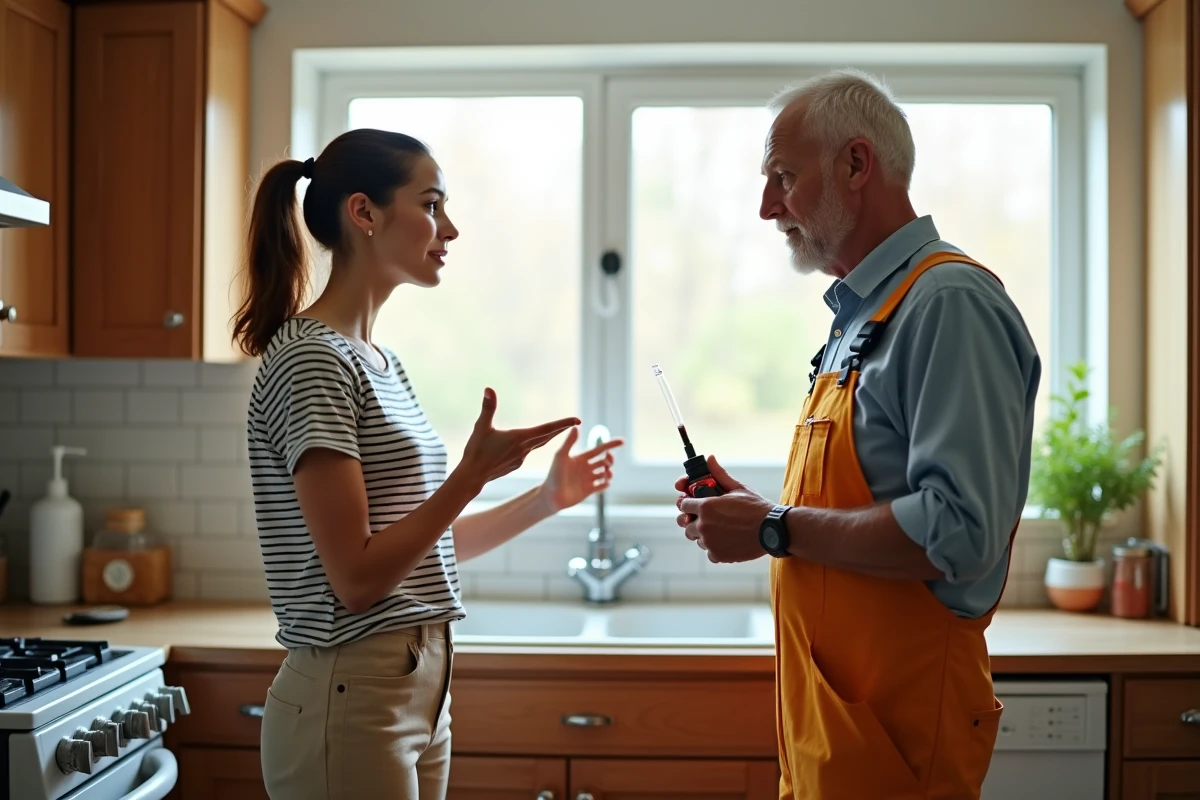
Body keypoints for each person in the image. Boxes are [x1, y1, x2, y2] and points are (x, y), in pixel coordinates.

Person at [674, 69, 1042, 800]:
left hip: (897, 754)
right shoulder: (862, 318)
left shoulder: (947, 305)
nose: (765, 207)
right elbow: (860, 505)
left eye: (782, 175)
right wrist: (757, 515)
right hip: (834, 748)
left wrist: (775, 528)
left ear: (855, 164)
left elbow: (960, 534)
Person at [235, 128, 623, 800]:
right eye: (433, 204)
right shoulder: (312, 360)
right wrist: (467, 478)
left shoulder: (380, 363)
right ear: (365, 213)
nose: (452, 228)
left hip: (415, 689)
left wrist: (544, 499)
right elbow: (357, 579)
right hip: (350, 694)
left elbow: (418, 550)